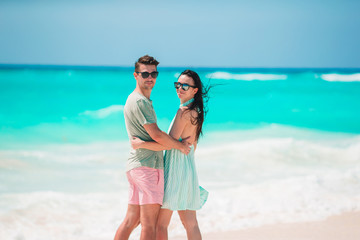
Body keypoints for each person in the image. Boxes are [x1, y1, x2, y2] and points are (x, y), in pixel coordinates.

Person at [114, 55, 191, 240]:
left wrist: (145, 144)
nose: (150, 77)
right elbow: (157, 135)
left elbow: (151, 137)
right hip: (148, 168)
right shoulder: (140, 101)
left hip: (136, 166)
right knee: (149, 225)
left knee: (131, 220)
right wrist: (180, 146)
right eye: (145, 73)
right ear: (136, 75)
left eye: (154, 74)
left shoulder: (135, 99)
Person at [131, 69, 209, 240]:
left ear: (195, 90)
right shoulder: (196, 111)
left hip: (175, 170)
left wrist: (142, 144)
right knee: (191, 223)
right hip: (188, 169)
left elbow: (168, 142)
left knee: (161, 224)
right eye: (178, 84)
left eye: (185, 86)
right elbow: (191, 145)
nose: (179, 88)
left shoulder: (184, 111)